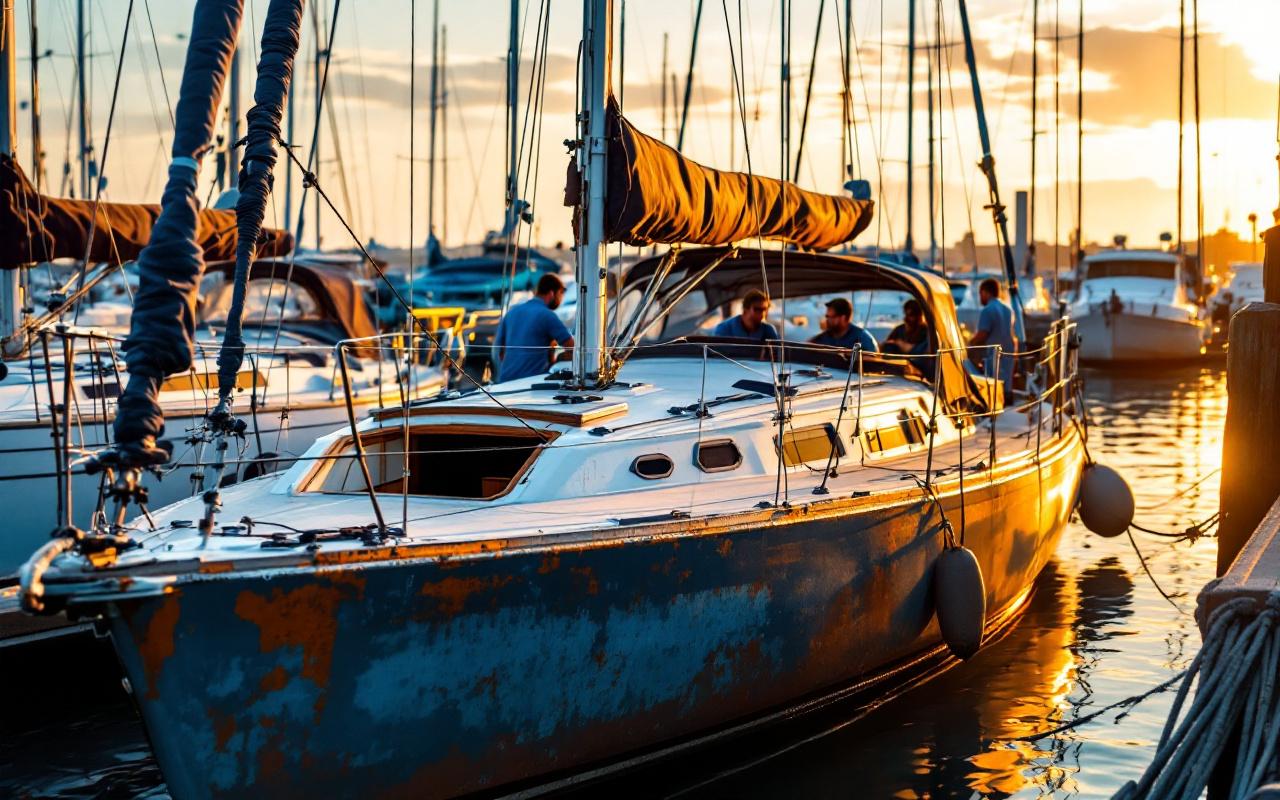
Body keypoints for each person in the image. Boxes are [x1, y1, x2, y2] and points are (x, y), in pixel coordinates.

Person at [493, 273, 574, 382]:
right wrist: (559, 359)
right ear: (551, 293)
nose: (561, 299)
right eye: (560, 294)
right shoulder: (547, 315)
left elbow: (498, 352)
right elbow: (572, 347)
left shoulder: (511, 312)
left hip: (505, 382)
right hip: (531, 382)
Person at [969, 277, 1018, 397]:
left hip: (994, 354)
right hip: (1009, 351)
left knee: (994, 383)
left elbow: (983, 334)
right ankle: (1008, 399)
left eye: (981, 294)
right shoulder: (1008, 309)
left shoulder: (987, 310)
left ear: (986, 292)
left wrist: (968, 344)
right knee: (1007, 383)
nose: (980, 297)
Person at [809, 297, 878, 351]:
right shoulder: (821, 338)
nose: (827, 320)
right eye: (826, 316)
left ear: (843, 318)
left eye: (829, 317)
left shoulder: (863, 339)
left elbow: (873, 361)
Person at [713, 288, 779, 341]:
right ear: (745, 309)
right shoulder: (724, 329)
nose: (762, 313)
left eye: (765, 309)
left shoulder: (768, 330)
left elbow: (777, 354)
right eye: (757, 309)